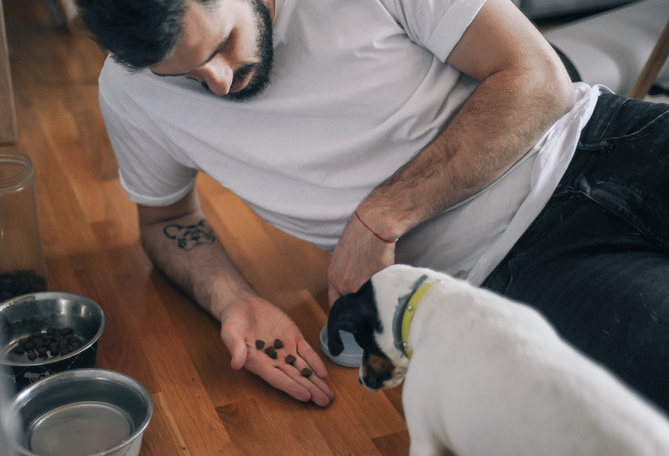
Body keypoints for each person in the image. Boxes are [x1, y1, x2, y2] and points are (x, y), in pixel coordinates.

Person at [76, 0, 669, 411]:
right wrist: (235, 299)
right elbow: (166, 219)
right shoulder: (130, 93)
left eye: (224, 45)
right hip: (511, 267)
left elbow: (539, 80)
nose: (220, 83)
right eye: (186, 77)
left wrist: (382, 215)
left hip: (602, 135)